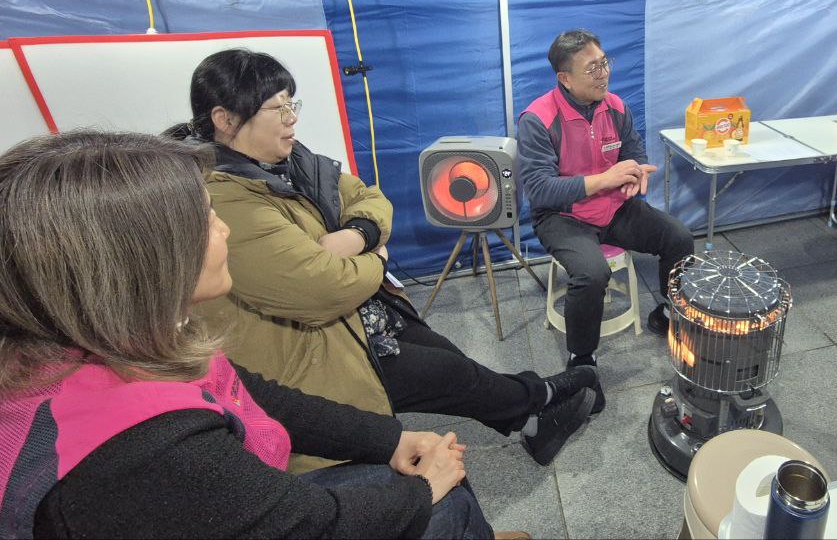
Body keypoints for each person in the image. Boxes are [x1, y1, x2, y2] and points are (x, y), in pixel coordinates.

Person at [0, 130, 507, 539]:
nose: (224, 230)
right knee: (445, 501)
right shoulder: (143, 451)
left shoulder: (130, 339)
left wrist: (389, 438)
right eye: (206, 219)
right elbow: (297, 524)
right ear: (141, 262)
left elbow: (249, 393)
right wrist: (422, 493)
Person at [168, 49, 595, 472]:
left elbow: (368, 197)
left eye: (291, 104)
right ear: (225, 119)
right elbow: (323, 288)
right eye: (277, 108)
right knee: (448, 373)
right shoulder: (226, 198)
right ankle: (540, 399)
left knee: (449, 358)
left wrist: (357, 235)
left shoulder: (293, 161)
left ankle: (533, 414)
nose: (291, 118)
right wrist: (377, 256)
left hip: (362, 311)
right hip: (312, 349)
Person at [518, 29, 695, 412]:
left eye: (604, 63)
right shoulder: (538, 119)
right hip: (562, 216)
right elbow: (540, 190)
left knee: (679, 237)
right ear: (565, 78)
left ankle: (667, 313)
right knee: (592, 273)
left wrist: (636, 173)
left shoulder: (615, 106)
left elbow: (634, 153)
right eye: (592, 68)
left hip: (613, 207)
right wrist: (605, 179)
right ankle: (582, 361)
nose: (603, 74)